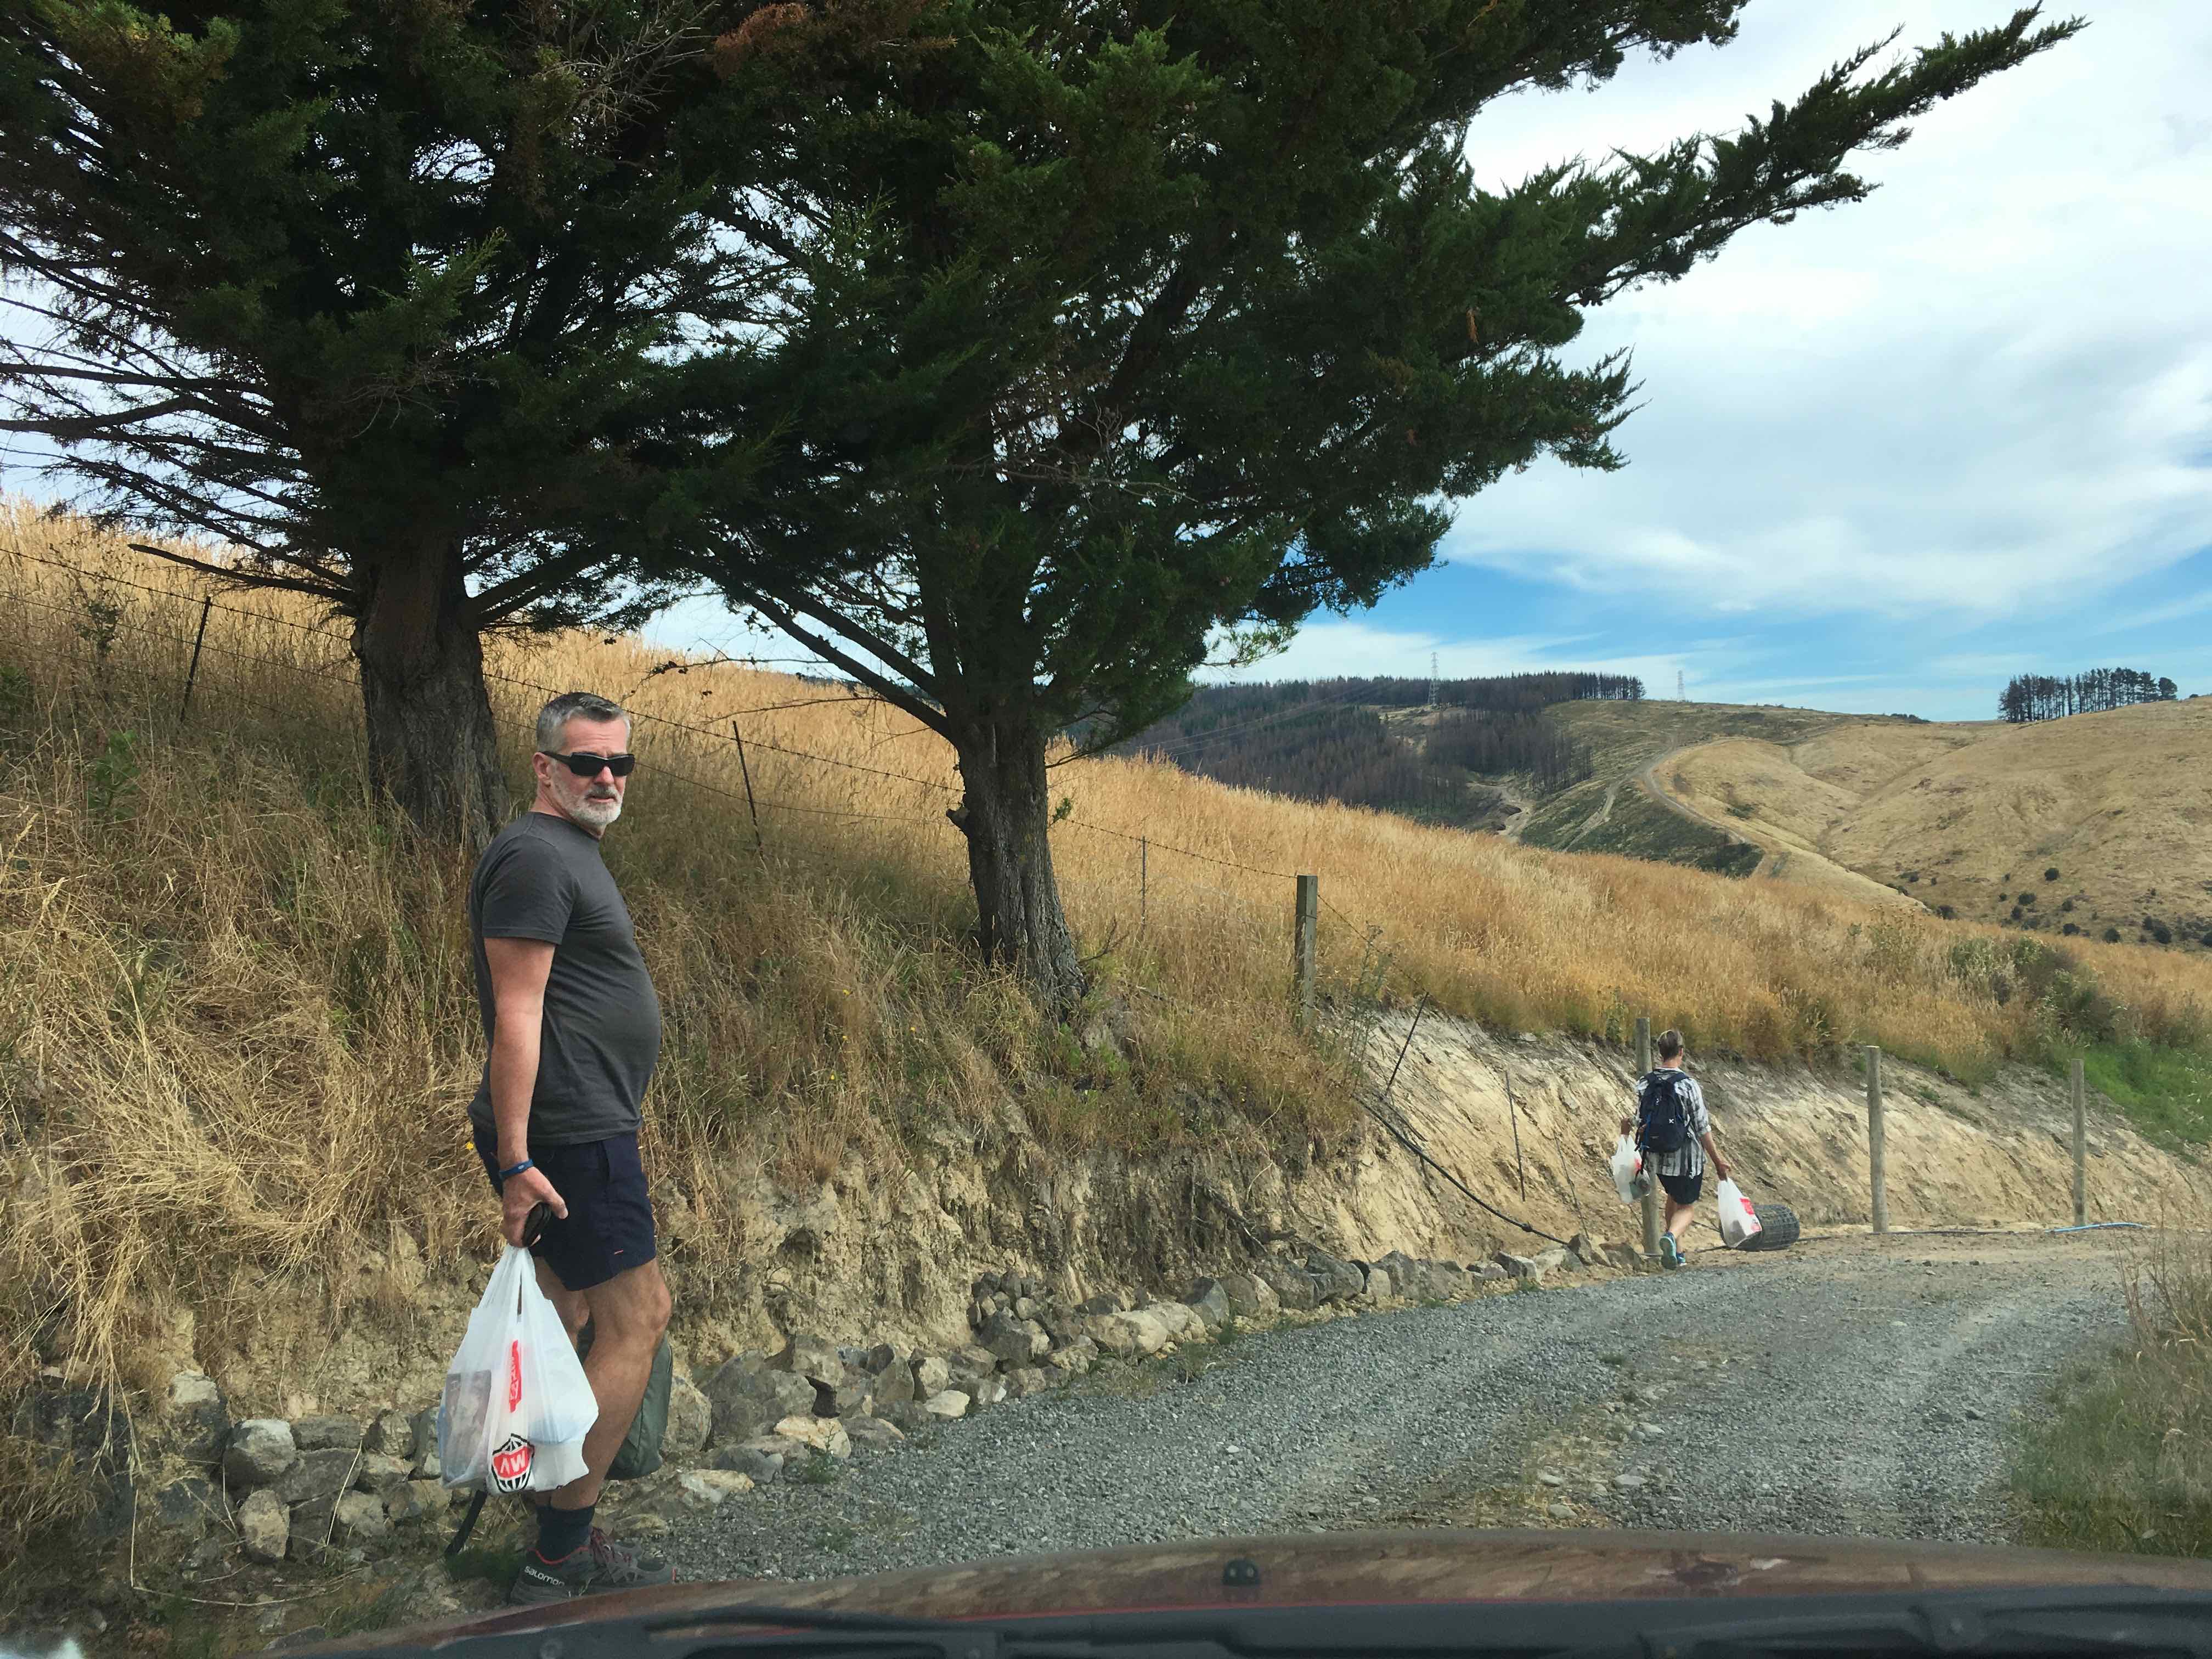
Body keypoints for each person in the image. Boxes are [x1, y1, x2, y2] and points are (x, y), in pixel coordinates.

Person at [468, 691, 674, 1603]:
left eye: (619, 762)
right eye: (586, 761)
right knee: (640, 1317)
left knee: (573, 1315)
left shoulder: (570, 851)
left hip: (583, 1125)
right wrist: (518, 1161)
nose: (605, 777)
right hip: (568, 1134)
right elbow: (516, 1014)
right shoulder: (535, 857)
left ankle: (550, 1510)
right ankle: (560, 1552)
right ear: (544, 766)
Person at [1618, 1028, 1733, 1270]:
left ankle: (1677, 1254)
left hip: (1658, 1157)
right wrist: (1718, 1161)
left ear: (1660, 1052)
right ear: (1681, 1051)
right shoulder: (1688, 1085)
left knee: (1673, 1195)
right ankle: (1671, 1237)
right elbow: (1702, 1128)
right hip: (1686, 1158)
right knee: (1687, 1207)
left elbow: (1641, 1118)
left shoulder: (1645, 1083)